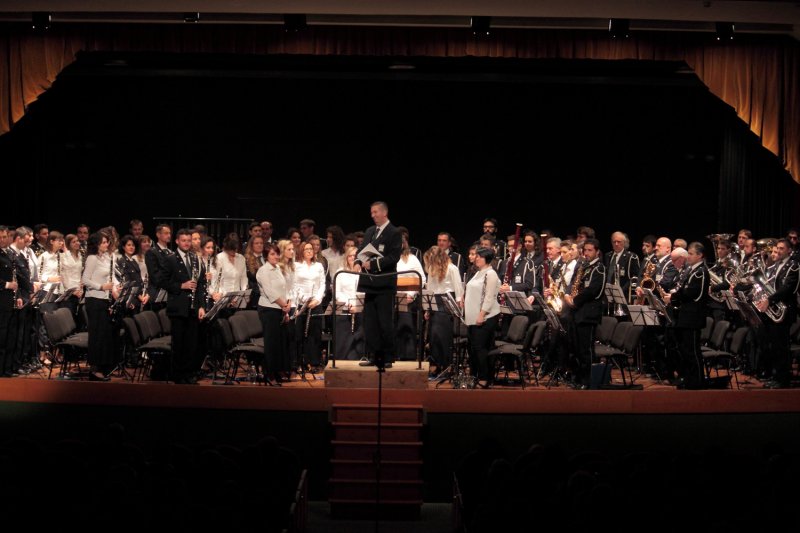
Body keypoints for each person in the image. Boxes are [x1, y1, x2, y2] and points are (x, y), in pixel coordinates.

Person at [354, 201, 402, 369]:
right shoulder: (369, 231)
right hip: (369, 283)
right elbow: (361, 250)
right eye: (371, 212)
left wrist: (373, 265)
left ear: (384, 213)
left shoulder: (394, 232)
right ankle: (373, 355)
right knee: (370, 322)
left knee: (384, 322)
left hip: (384, 284)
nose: (372, 215)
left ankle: (387, 356)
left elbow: (394, 257)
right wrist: (358, 261)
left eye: (375, 212)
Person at [162, 228, 205, 384]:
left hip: (193, 307)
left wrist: (201, 306)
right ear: (177, 242)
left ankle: (188, 373)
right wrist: (181, 285)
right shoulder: (170, 259)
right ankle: (178, 375)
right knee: (179, 343)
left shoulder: (195, 258)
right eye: (184, 240)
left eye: (189, 240)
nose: (187, 243)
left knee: (191, 343)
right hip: (178, 307)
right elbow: (163, 281)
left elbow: (200, 284)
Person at [663, 243, 709, 389]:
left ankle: (697, 381)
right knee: (686, 350)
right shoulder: (692, 270)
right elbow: (684, 289)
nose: (688, 256)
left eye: (691, 253)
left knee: (693, 351)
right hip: (685, 317)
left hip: (693, 318)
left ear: (700, 255)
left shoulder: (700, 272)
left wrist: (673, 297)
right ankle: (690, 379)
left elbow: (692, 292)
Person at [563, 238, 606, 389]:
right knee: (575, 348)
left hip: (588, 315)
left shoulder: (599, 268)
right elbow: (573, 283)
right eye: (585, 250)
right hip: (576, 313)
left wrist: (575, 300)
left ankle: (587, 380)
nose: (586, 253)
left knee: (585, 349)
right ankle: (577, 377)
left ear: (597, 252)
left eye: (590, 250)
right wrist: (568, 295)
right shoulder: (582, 266)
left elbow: (593, 291)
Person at [757, 239, 799, 388]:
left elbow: (787, 288)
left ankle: (783, 379)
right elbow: (768, 284)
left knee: (781, 346)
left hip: (785, 310)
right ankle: (775, 376)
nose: (778, 251)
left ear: (789, 251)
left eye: (782, 248)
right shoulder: (775, 266)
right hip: (773, 310)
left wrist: (768, 299)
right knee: (773, 345)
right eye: (777, 248)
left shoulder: (793, 266)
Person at [81, 232, 120, 381]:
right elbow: (85, 279)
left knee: (104, 335)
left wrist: (116, 286)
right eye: (103, 242)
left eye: (107, 242)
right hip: (94, 300)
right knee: (97, 335)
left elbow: (112, 276)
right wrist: (101, 286)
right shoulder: (92, 258)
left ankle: (103, 366)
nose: (106, 245)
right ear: (96, 244)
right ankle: (94, 369)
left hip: (104, 300)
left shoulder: (106, 258)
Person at [464, 247, 500, 388]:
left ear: (487, 259)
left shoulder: (490, 274)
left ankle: (485, 378)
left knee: (480, 348)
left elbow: (489, 297)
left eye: (479, 256)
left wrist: (481, 315)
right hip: (473, 317)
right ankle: (476, 375)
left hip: (485, 317)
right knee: (473, 348)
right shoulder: (479, 272)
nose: (476, 258)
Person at [423, 246, 463, 372]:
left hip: (447, 301)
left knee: (443, 336)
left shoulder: (452, 268)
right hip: (435, 301)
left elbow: (458, 288)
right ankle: (438, 364)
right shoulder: (431, 269)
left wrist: (458, 305)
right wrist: (427, 309)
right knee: (434, 336)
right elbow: (430, 288)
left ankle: (446, 365)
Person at [257, 242, 291, 385]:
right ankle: (269, 374)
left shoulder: (277, 268)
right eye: (272, 254)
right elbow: (270, 292)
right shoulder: (263, 271)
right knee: (271, 343)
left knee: (280, 343)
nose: (276, 256)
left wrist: (287, 307)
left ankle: (277, 371)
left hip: (280, 309)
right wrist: (284, 305)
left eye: (277, 253)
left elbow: (283, 289)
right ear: (266, 256)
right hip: (268, 309)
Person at [293, 241, 326, 370]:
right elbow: (295, 284)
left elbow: (322, 284)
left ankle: (314, 362)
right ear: (301, 251)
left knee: (314, 334)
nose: (309, 251)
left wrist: (317, 299)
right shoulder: (296, 266)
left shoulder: (318, 266)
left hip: (315, 303)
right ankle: (300, 362)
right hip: (301, 303)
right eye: (306, 249)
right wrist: (305, 299)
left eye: (311, 249)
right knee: (300, 334)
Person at [395, 230, 426, 360]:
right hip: (393, 299)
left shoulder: (412, 259)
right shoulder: (391, 258)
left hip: (408, 299)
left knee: (407, 329)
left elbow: (422, 279)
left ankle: (408, 358)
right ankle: (395, 357)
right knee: (394, 329)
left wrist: (411, 295)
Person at [334, 245, 365, 360]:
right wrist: (349, 303)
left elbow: (365, 292)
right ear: (346, 257)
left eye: (355, 256)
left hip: (360, 308)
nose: (352, 258)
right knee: (343, 339)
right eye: (350, 256)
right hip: (344, 308)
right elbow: (337, 292)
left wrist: (357, 305)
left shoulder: (364, 273)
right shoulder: (340, 272)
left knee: (360, 336)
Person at [604, 231, 640, 305]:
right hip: (607, 294)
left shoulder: (631, 257)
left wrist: (621, 291)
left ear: (624, 243)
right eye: (614, 242)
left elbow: (635, 277)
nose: (616, 244)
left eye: (619, 242)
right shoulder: (607, 256)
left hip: (623, 295)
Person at [244, 236, 266, 310]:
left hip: (266, 295)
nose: (259, 245)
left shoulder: (266, 258)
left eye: (261, 243)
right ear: (251, 245)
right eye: (256, 243)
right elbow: (251, 277)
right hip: (254, 296)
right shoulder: (247, 259)